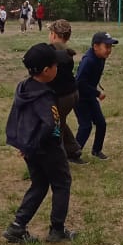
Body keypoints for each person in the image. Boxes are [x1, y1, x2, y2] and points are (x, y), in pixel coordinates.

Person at [4, 43, 76, 243]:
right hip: (48, 149)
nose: (57, 68)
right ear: (46, 70)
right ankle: (57, 229)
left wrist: (24, 144)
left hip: (30, 149)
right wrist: (37, 144)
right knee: (62, 183)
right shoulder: (45, 96)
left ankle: (17, 226)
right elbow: (50, 124)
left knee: (40, 184)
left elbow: (17, 118)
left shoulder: (24, 88)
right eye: (55, 65)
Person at [74, 31, 118, 160]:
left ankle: (96, 150)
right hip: (79, 98)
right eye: (106, 46)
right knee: (85, 126)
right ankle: (73, 154)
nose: (109, 50)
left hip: (89, 96)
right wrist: (97, 93)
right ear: (95, 46)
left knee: (101, 123)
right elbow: (79, 83)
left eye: (110, 47)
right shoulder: (89, 61)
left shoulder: (101, 57)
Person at [48, 19, 82, 163]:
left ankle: (58, 160)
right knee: (60, 121)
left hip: (62, 97)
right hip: (73, 94)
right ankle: (73, 150)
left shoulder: (52, 51)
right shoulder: (67, 51)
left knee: (56, 129)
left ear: (54, 34)